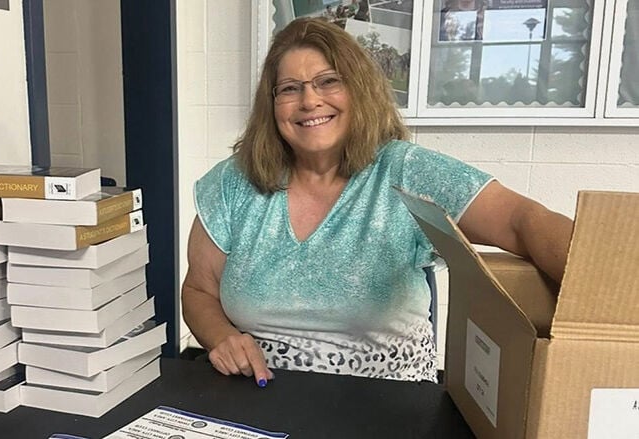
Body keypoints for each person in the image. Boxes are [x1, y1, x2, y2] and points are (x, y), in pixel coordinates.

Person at [181, 17, 572, 387]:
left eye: (328, 81)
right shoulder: (234, 182)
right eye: (289, 88)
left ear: (359, 90)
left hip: (391, 405)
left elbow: (523, 220)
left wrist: (598, 295)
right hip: (262, 395)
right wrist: (221, 337)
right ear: (272, 105)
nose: (309, 100)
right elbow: (200, 290)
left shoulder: (406, 170)